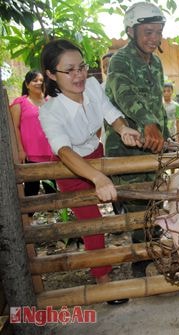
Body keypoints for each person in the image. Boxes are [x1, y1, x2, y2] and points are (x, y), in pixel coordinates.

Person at [39, 39, 142, 304]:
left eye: (82, 67)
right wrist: (96, 177)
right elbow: (63, 151)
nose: (79, 75)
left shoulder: (94, 86)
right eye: (69, 70)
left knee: (121, 199)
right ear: (51, 74)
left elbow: (108, 111)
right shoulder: (50, 111)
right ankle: (102, 279)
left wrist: (123, 129)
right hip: (70, 167)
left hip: (96, 155)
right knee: (92, 223)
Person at [104, 1, 170, 276]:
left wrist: (164, 134)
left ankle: (151, 251)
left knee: (154, 199)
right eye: (148, 32)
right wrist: (148, 123)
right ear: (131, 31)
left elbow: (157, 104)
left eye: (158, 32)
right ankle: (142, 262)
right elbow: (124, 95)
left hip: (152, 146)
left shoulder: (155, 62)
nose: (154, 39)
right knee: (137, 205)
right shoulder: (120, 60)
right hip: (127, 147)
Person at [9, 70, 57, 207]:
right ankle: (28, 219)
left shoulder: (50, 101)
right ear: (27, 84)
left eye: (41, 80)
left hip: (50, 152)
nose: (39, 83)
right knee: (31, 189)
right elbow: (15, 128)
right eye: (35, 80)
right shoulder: (20, 102)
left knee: (51, 189)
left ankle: (52, 219)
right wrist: (20, 149)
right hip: (30, 153)